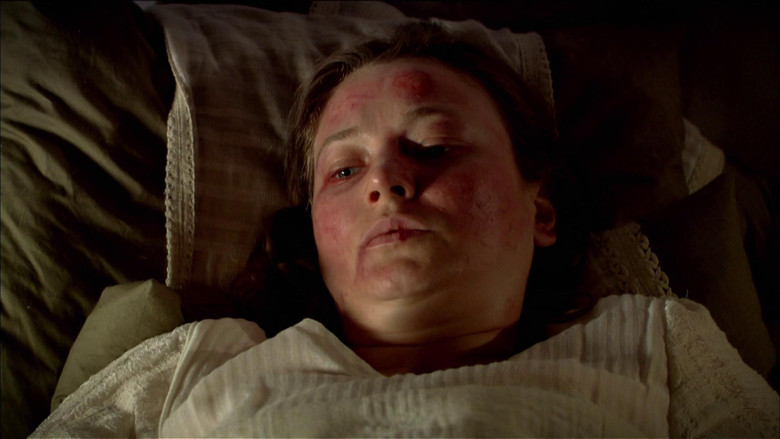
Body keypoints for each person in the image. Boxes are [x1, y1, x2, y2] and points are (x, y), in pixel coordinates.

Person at [32, 22, 778, 438]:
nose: (386, 180)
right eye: (343, 170)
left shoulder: (652, 346)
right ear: (312, 233)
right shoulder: (194, 365)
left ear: (542, 210)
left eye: (434, 146)